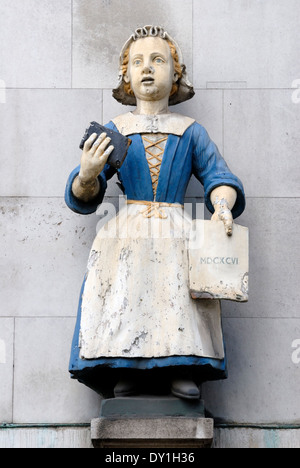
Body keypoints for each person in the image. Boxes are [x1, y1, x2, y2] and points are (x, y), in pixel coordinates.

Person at [65, 26, 245, 400]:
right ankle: (124, 366)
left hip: (175, 224)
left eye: (158, 60)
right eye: (137, 62)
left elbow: (219, 176)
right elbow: (84, 194)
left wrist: (223, 205)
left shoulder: (191, 131)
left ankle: (180, 366)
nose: (147, 68)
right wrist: (87, 174)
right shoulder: (116, 129)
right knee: (126, 293)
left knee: (178, 296)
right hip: (128, 226)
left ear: (175, 74)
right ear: (126, 76)